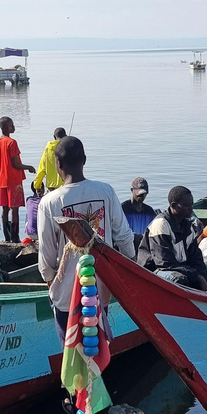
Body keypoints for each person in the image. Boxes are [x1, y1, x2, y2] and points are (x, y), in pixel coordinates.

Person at [37, 136, 135, 342]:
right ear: (85, 160)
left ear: (58, 164)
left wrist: (52, 285)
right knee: (96, 350)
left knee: (73, 360)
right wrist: (129, 269)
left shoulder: (49, 202)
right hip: (100, 289)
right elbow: (125, 237)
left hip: (66, 295)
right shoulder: (105, 191)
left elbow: (46, 256)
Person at [137, 186, 207, 292]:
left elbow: (196, 259)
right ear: (173, 206)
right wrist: (197, 277)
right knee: (180, 280)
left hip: (177, 268)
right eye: (186, 205)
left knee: (199, 277)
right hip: (154, 272)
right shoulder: (161, 225)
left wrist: (204, 281)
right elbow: (165, 263)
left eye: (191, 204)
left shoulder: (187, 226)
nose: (191, 208)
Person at [0, 117, 35, 243]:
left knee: (5, 208)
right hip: (13, 179)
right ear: (6, 127)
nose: (14, 127)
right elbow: (15, 164)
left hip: (2, 178)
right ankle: (15, 236)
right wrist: (29, 167)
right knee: (15, 208)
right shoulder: (12, 142)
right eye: (12, 125)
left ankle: (6, 237)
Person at [33, 127, 66, 193]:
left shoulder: (47, 149)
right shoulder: (66, 148)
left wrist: (37, 185)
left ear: (54, 137)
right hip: (65, 187)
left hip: (52, 189)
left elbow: (42, 169)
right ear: (65, 136)